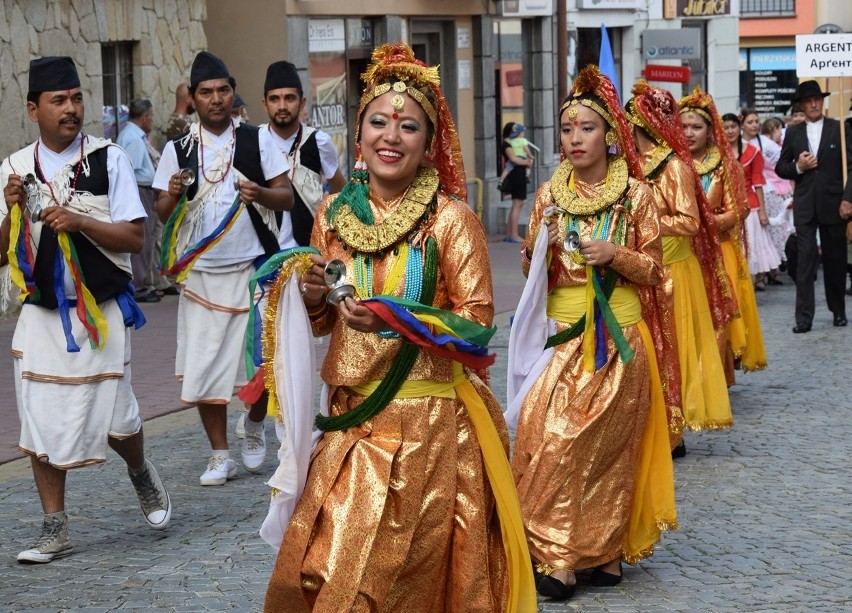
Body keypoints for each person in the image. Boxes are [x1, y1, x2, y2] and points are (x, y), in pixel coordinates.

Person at [262, 43, 535, 612]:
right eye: (379, 122)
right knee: (326, 567)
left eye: (409, 126)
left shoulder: (451, 219)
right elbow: (323, 323)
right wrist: (312, 298)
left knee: (411, 578)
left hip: (430, 431)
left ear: (428, 144)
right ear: (358, 137)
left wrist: (394, 317)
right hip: (350, 425)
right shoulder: (332, 215)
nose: (392, 136)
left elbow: (478, 325)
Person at [507, 66, 677, 601]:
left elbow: (657, 270)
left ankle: (598, 554)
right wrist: (542, 248)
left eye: (585, 128)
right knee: (547, 438)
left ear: (607, 134)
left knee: (604, 449)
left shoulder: (635, 196)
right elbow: (530, 266)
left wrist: (615, 255)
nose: (574, 138)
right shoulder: (550, 195)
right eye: (566, 129)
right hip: (561, 339)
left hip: (619, 341)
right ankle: (557, 552)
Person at [0, 56, 171, 563]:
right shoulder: (12, 168)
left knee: (119, 417)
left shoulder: (109, 158)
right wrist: (12, 212)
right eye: (59, 101)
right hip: (41, 314)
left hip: (98, 313)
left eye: (76, 98)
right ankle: (56, 528)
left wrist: (79, 221)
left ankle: (140, 472)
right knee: (37, 423)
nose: (71, 109)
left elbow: (135, 236)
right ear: (34, 109)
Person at [152, 51, 294, 485]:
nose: (216, 99)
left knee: (263, 364)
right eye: (206, 92)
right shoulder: (179, 149)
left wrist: (259, 193)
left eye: (223, 90)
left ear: (233, 93)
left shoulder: (256, 140)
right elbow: (161, 212)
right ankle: (219, 454)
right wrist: (174, 193)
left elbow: (285, 196)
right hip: (201, 276)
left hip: (253, 271)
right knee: (205, 367)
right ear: (192, 99)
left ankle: (253, 424)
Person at [625, 82, 733, 447]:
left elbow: (690, 222)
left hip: (674, 273)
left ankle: (673, 435)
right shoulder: (629, 166)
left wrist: (646, 218)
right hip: (641, 273)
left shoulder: (673, 168)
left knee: (673, 352)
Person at [679, 87, 767, 378]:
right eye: (683, 126)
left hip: (719, 249)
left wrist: (707, 224)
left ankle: (716, 376)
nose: (689, 132)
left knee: (719, 314)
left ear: (709, 130)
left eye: (696, 127)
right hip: (682, 252)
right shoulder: (671, 166)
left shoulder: (724, 166)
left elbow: (739, 210)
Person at [776, 80, 852, 331]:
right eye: (808, 100)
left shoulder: (839, 128)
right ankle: (804, 318)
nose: (813, 103)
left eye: (817, 98)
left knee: (835, 260)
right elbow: (781, 167)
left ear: (822, 100)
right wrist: (799, 167)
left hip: (834, 204)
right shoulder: (793, 132)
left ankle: (838, 310)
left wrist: (848, 198)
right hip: (806, 205)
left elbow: (850, 167)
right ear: (801, 104)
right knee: (805, 262)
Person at [260, 60, 346, 248]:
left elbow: (341, 191)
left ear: (302, 102)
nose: (282, 106)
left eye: (290, 98)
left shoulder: (319, 141)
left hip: (310, 249)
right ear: (264, 104)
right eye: (274, 99)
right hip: (264, 252)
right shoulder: (255, 141)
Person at [722, 112, 780, 291]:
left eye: (733, 127)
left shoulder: (752, 151)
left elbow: (758, 183)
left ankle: (750, 283)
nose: (730, 131)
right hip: (725, 208)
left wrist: (762, 211)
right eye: (726, 127)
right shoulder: (716, 152)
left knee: (751, 247)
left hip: (750, 207)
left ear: (739, 128)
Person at [116, 98, 161, 302]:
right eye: (151, 116)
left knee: (147, 240)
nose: (151, 121)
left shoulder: (132, 134)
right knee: (142, 240)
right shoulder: (134, 138)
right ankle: (140, 287)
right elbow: (129, 171)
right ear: (144, 117)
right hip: (139, 192)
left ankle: (143, 284)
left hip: (143, 191)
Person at [760, 116, 794, 273]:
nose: (781, 133)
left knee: (779, 227)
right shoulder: (768, 146)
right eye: (779, 129)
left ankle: (779, 261)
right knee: (779, 227)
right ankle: (781, 258)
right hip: (772, 191)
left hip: (778, 189)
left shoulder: (770, 145)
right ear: (773, 128)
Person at [500, 121, 533, 243]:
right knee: (517, 205)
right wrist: (527, 162)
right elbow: (513, 159)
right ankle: (514, 235)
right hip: (517, 175)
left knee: (516, 205)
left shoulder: (509, 143)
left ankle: (510, 233)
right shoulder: (507, 145)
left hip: (518, 174)